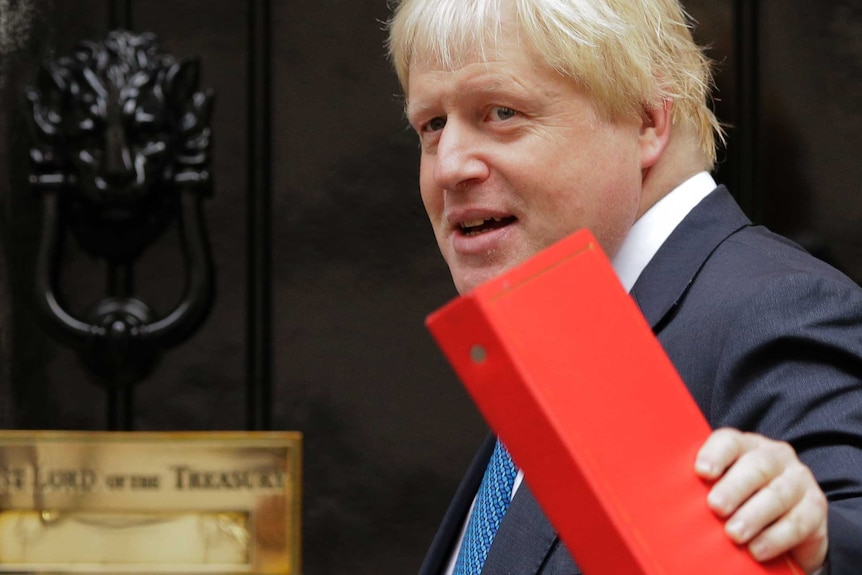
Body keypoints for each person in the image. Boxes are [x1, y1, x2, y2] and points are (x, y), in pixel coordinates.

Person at [386, 1, 862, 574]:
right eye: (432, 125)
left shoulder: (776, 307)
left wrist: (815, 544)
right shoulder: (571, 330)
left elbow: (839, 522)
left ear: (646, 121)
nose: (449, 167)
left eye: (502, 112)